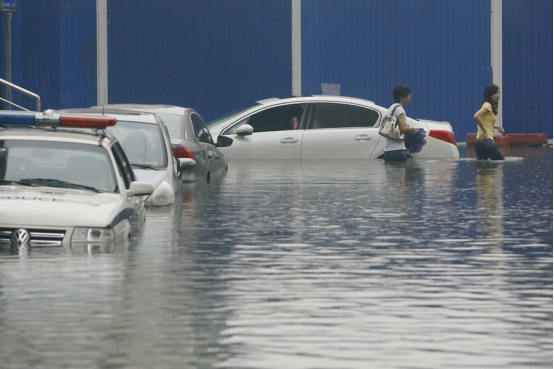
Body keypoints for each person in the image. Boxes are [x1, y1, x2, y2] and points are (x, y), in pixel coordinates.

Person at [383, 84, 418, 162]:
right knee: (400, 173)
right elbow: (403, 128)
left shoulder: (392, 107)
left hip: (388, 150)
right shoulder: (400, 110)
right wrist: (413, 129)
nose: (410, 96)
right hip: (398, 150)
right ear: (401, 97)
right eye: (408, 94)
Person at [473, 84, 505, 160]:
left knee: (482, 169)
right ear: (490, 94)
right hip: (487, 142)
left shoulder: (485, 105)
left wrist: (496, 127)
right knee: (501, 162)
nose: (498, 95)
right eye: (496, 93)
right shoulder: (488, 105)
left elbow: (484, 122)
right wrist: (485, 131)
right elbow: (476, 116)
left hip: (478, 142)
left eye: (499, 93)